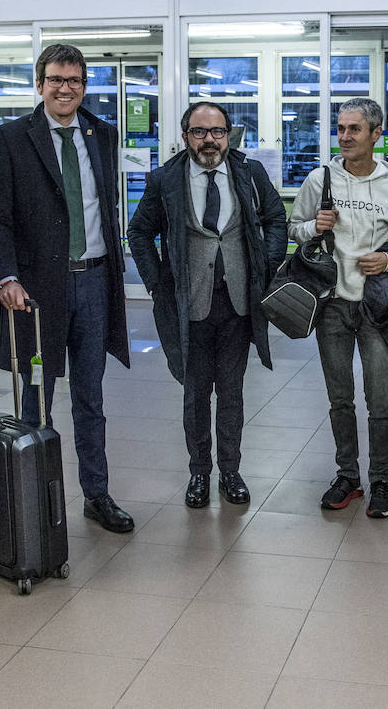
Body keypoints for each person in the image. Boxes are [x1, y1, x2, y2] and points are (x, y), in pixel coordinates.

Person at [0, 43, 133, 534]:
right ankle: (35, 499)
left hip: (94, 282)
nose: (65, 89)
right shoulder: (9, 139)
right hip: (37, 292)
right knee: (36, 398)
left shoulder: (101, 135)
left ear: (84, 84)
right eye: (56, 79)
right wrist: (6, 276)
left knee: (90, 396)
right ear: (39, 83)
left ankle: (97, 494)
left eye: (75, 80)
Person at [128, 100, 287, 509]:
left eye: (218, 131)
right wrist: (158, 283)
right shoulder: (166, 180)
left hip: (238, 306)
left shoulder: (249, 173)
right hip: (190, 308)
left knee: (232, 393)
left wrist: (264, 269)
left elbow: (275, 220)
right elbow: (139, 232)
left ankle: (230, 472)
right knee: (195, 394)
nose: (210, 140)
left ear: (229, 134)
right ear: (186, 137)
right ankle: (199, 473)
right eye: (200, 132)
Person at [290, 97, 388, 518]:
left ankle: (381, 479)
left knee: (380, 400)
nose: (344, 136)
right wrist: (313, 227)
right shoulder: (320, 178)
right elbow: (294, 227)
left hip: (377, 309)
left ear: (376, 134)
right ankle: (348, 475)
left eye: (354, 129)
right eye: (340, 128)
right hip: (332, 306)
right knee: (339, 398)